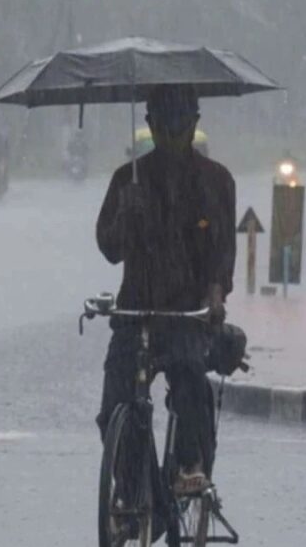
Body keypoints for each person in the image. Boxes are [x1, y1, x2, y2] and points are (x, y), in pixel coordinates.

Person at [95, 84, 236, 495]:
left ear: (194, 124)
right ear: (150, 125)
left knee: (190, 378)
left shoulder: (216, 181)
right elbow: (109, 248)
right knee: (114, 405)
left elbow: (223, 252)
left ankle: (189, 464)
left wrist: (214, 295)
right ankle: (132, 490)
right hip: (135, 311)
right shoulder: (127, 179)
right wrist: (127, 215)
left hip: (186, 313)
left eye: (180, 126)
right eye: (163, 127)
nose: (172, 136)